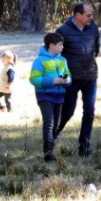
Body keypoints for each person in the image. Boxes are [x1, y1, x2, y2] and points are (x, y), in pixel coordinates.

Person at [55, 1, 100, 157]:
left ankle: (85, 146)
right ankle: (54, 133)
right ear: (78, 15)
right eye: (88, 15)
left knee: (89, 111)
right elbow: (55, 56)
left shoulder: (93, 28)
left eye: (91, 14)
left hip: (90, 78)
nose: (91, 17)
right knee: (67, 111)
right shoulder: (62, 31)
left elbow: (96, 49)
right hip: (71, 79)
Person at [30, 32, 72, 161]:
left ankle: (50, 148)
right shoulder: (39, 61)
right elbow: (34, 79)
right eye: (60, 45)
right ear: (51, 45)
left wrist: (67, 81)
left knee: (56, 124)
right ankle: (47, 152)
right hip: (45, 96)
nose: (62, 47)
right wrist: (53, 81)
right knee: (49, 122)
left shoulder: (63, 60)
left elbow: (68, 74)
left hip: (59, 96)